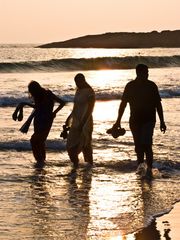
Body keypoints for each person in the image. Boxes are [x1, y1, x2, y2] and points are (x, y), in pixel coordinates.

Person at [112, 64, 166, 177]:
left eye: (147, 72)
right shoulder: (130, 86)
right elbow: (123, 105)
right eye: (145, 72)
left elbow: (158, 104)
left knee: (147, 145)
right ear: (138, 73)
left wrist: (162, 121)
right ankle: (141, 170)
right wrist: (118, 121)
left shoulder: (151, 86)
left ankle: (149, 171)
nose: (147, 74)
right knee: (138, 147)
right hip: (135, 120)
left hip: (149, 120)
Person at [12, 81, 65, 167]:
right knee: (40, 142)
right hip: (38, 119)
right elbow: (39, 107)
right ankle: (41, 162)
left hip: (46, 120)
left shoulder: (48, 94)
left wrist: (54, 112)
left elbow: (62, 103)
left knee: (34, 140)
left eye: (31, 91)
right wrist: (22, 105)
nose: (31, 94)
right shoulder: (38, 96)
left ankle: (39, 161)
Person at [64, 73, 95, 168]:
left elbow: (90, 108)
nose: (77, 84)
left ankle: (89, 168)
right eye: (76, 82)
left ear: (83, 80)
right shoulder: (79, 91)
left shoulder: (90, 92)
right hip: (76, 121)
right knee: (70, 146)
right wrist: (68, 118)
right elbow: (75, 107)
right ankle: (76, 164)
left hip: (86, 122)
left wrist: (83, 122)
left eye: (78, 82)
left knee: (86, 145)